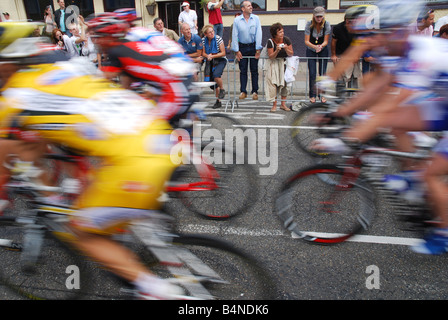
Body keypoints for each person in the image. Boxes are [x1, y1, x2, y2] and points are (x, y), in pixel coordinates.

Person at [0, 21, 186, 300]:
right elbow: (36, 144)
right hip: (157, 136)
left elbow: (8, 155)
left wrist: (28, 196)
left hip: (133, 161)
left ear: (6, 63)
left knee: (81, 231)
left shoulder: (15, 97)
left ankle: (160, 293)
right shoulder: (64, 67)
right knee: (99, 201)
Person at [231, 0, 262, 100]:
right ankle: (243, 91)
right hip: (242, 47)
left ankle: (255, 91)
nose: (251, 7)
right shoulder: (237, 20)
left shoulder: (256, 19)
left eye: (251, 5)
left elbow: (259, 33)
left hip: (253, 46)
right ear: (243, 9)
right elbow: (234, 35)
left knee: (254, 70)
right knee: (243, 70)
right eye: (248, 6)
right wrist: (236, 50)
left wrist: (258, 49)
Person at [304, 6, 331, 103]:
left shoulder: (327, 24)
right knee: (312, 73)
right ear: (314, 16)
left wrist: (320, 46)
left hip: (322, 48)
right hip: (311, 48)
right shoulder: (309, 25)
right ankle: (312, 95)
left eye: (321, 16)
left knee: (322, 72)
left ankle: (322, 94)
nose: (319, 19)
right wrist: (314, 47)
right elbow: (306, 41)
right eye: (317, 17)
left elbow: (326, 41)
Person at [264, 23, 293, 112]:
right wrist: (277, 50)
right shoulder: (270, 41)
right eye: (280, 32)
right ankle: (274, 104)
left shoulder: (286, 40)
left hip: (284, 63)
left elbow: (291, 53)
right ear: (275, 33)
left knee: (285, 84)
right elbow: (271, 56)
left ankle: (283, 104)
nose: (282, 33)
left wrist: (286, 48)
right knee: (274, 84)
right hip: (274, 63)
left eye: (282, 31)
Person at [331, 7, 361, 89]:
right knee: (341, 77)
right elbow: (333, 42)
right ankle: (340, 98)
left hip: (353, 55)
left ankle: (353, 98)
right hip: (341, 54)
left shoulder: (357, 28)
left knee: (354, 77)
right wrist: (334, 55)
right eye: (348, 20)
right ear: (345, 20)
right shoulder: (338, 28)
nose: (350, 23)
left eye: (352, 21)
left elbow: (359, 42)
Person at [202, 24, 227, 109]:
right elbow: (203, 53)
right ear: (205, 34)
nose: (212, 33)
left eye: (212, 31)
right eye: (209, 32)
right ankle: (218, 101)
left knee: (216, 75)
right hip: (210, 61)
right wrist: (207, 56)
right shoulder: (204, 40)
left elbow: (223, 53)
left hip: (220, 60)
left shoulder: (218, 39)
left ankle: (222, 89)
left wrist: (212, 56)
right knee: (213, 83)